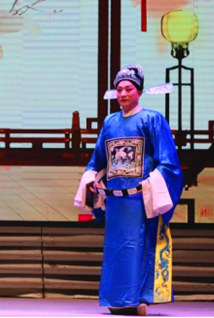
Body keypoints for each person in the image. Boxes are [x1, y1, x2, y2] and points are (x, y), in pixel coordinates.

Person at [74, 64, 183, 316]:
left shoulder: (152, 119)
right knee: (116, 247)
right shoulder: (110, 122)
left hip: (140, 198)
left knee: (139, 246)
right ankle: (117, 299)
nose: (122, 93)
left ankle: (140, 298)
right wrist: (91, 177)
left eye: (128, 89)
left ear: (139, 91)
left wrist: (152, 182)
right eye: (119, 89)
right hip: (116, 200)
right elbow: (98, 160)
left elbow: (168, 162)